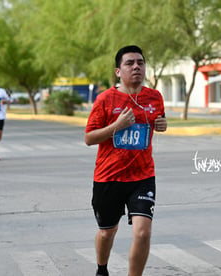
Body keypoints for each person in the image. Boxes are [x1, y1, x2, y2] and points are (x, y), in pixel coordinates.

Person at [85, 45, 167, 276]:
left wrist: (162, 125)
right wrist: (116, 126)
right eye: (129, 63)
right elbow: (89, 138)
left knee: (143, 232)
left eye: (140, 62)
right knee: (107, 232)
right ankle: (102, 269)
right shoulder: (105, 100)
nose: (136, 67)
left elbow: (158, 120)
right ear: (118, 71)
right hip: (108, 177)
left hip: (142, 176)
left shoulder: (155, 97)